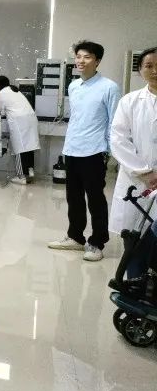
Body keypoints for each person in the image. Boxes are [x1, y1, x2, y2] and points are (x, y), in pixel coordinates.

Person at [48, 41, 121, 262]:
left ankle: (97, 243)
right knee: (74, 198)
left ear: (97, 61)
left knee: (95, 199)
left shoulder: (109, 87)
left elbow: (114, 122)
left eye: (87, 57)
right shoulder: (74, 86)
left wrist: (109, 151)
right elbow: (78, 118)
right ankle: (75, 237)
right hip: (73, 148)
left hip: (94, 151)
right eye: (78, 56)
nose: (81, 61)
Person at [109, 46, 157, 248]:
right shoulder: (129, 101)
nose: (154, 71)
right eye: (149, 66)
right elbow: (118, 140)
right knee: (133, 241)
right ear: (140, 70)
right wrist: (145, 172)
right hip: (136, 179)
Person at [0, 75, 41, 185]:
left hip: (19, 121)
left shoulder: (0, 94)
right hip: (30, 119)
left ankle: (21, 176)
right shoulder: (15, 90)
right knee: (29, 146)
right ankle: (30, 172)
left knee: (19, 148)